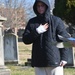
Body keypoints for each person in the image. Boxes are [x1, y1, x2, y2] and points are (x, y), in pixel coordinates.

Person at [22, 0, 70, 75]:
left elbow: (64, 39)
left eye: (42, 5)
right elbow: (26, 40)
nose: (40, 8)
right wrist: (37, 31)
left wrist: (64, 58)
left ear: (46, 6)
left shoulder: (56, 21)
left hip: (54, 61)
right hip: (38, 61)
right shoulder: (32, 22)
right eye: (38, 6)